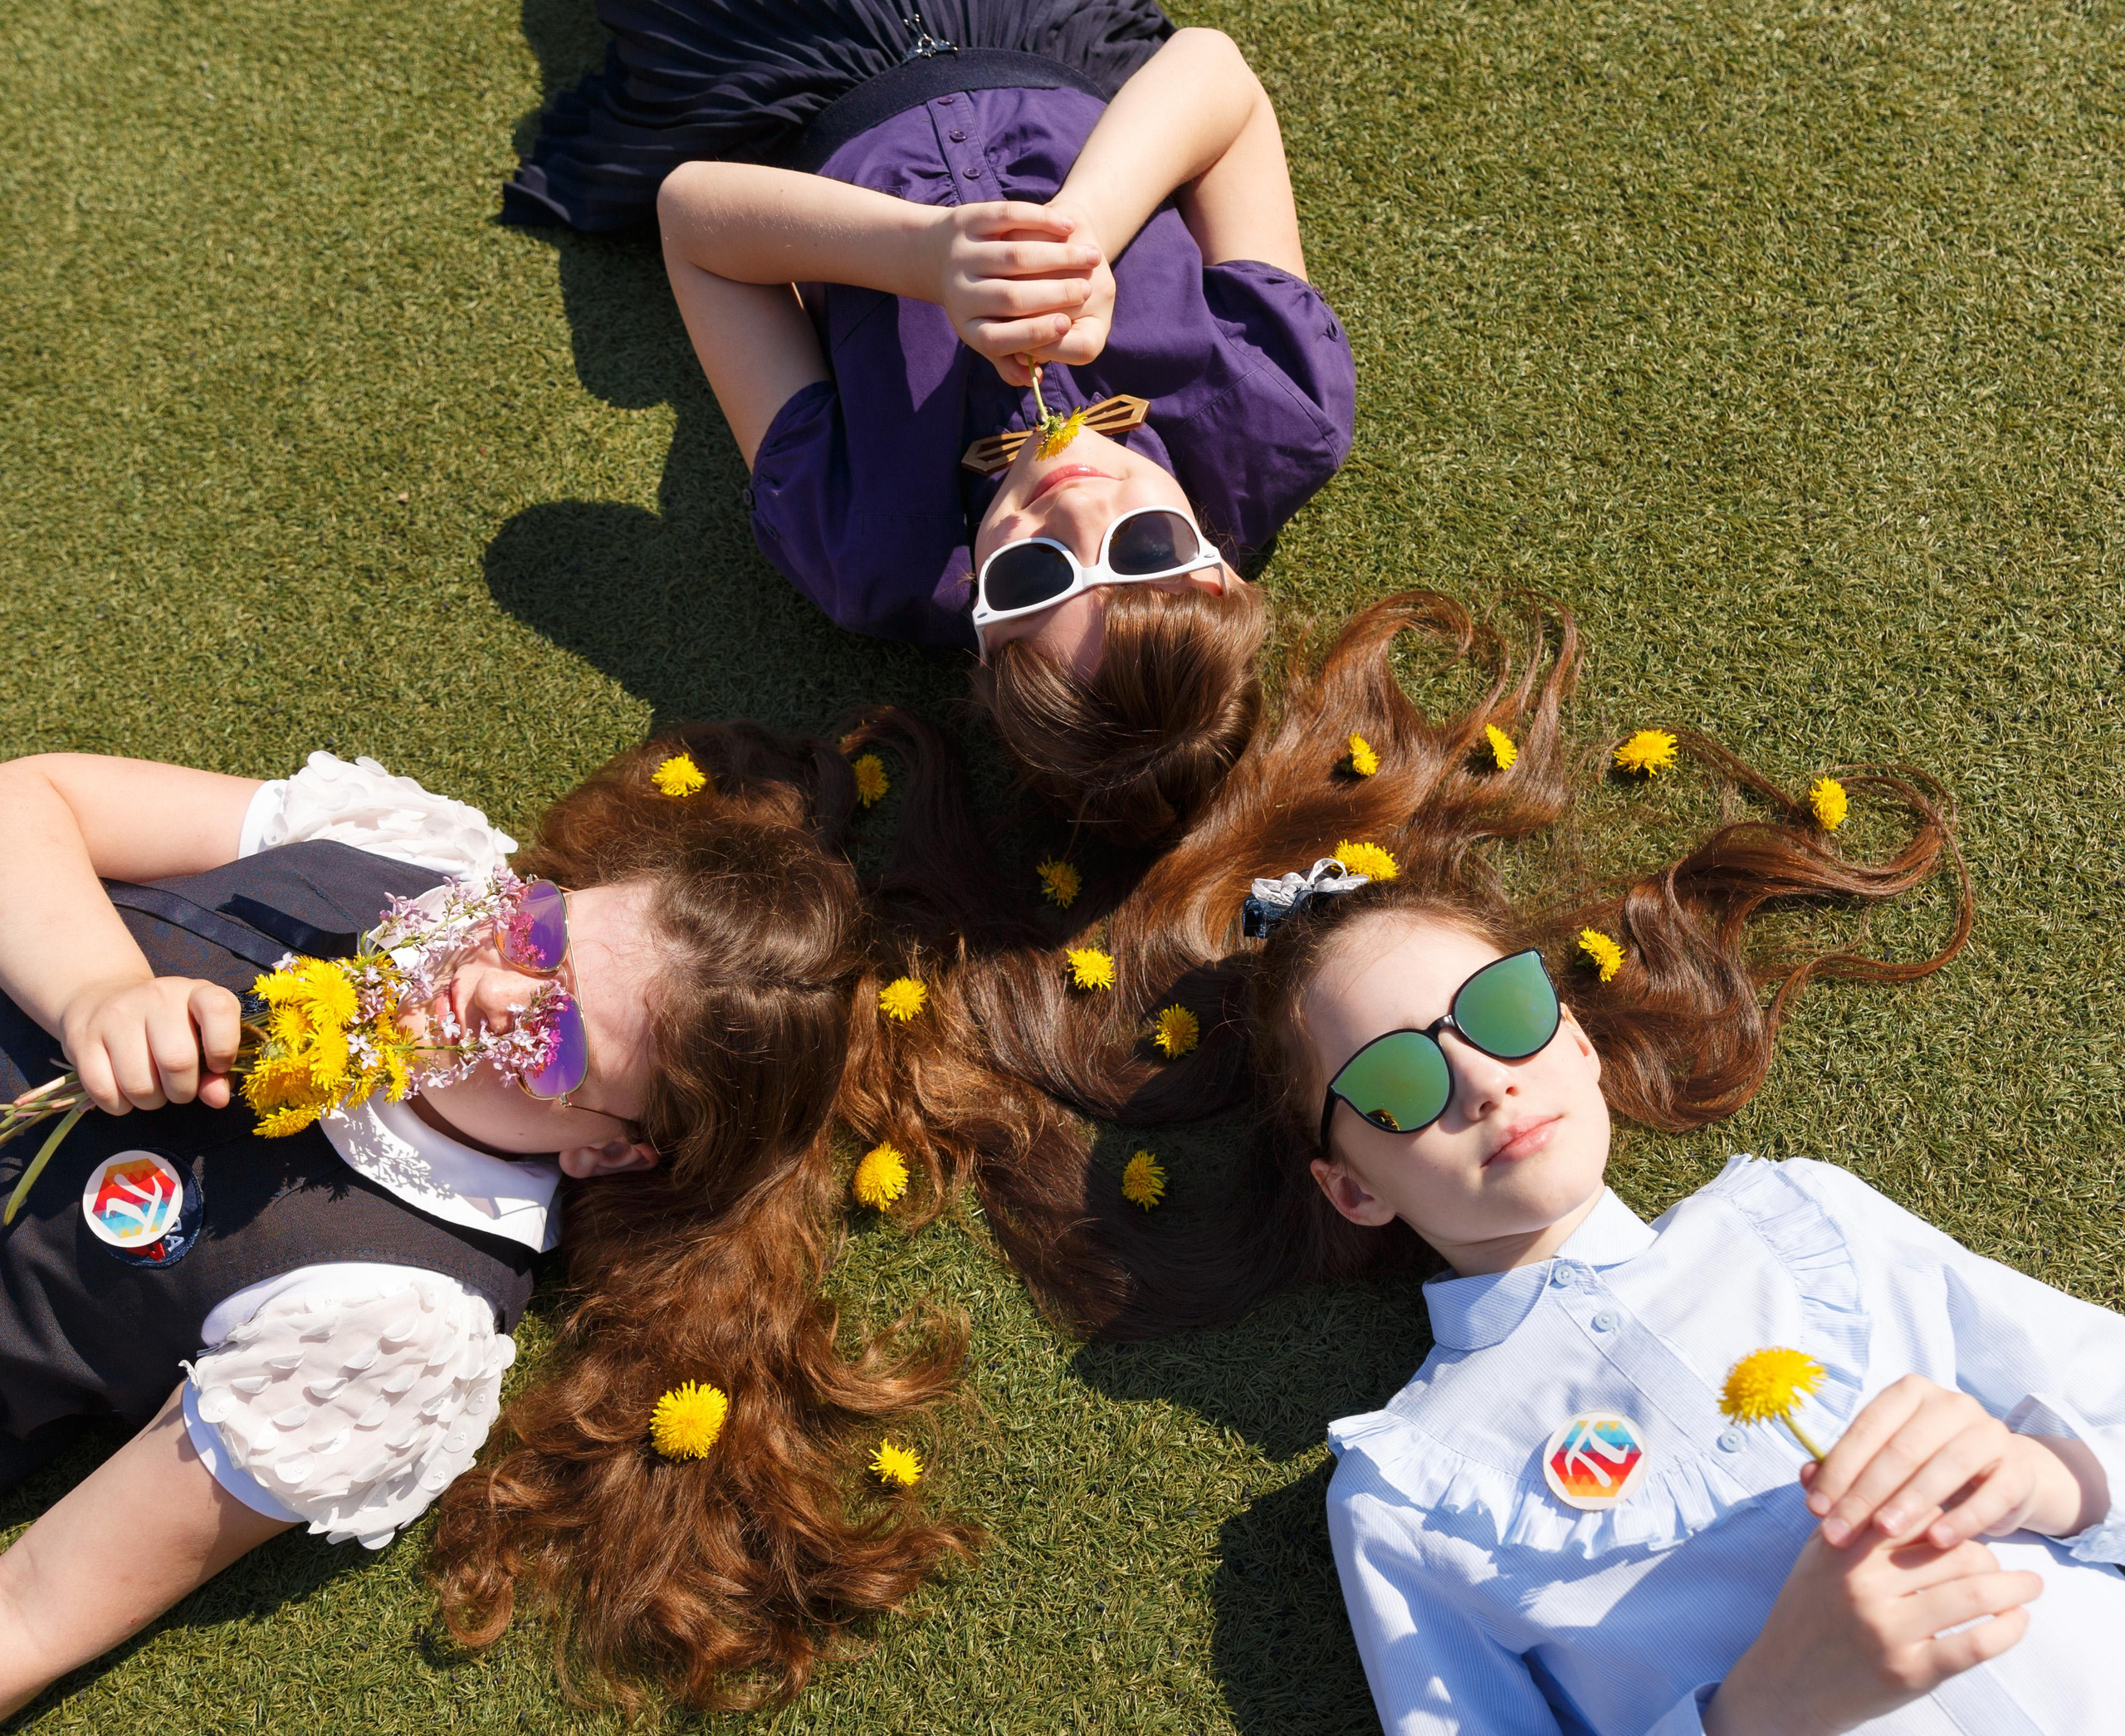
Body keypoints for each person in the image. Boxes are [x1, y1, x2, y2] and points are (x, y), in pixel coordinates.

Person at [868, 592, 2125, 1729]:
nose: (1481, 1077)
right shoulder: (1406, 1497)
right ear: (1352, 1184)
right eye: (1401, 1083)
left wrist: (2049, 1474)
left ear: (1571, 1033)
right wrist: (1762, 1711)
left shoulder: (1808, 1220)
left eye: (1506, 1012)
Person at [0, 717, 976, 1716]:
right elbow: (30, 801)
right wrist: (97, 989)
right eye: (540, 929)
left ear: (603, 1148)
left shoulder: (390, 1318)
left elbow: (29, 1612)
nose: (481, 985)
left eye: (552, 1042)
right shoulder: (408, 855)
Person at [508, 9, 1356, 843]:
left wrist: (925, 256)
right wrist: (1086, 232)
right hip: (1049, 34)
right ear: (1218, 577)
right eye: (1144, 548)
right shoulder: (1277, 416)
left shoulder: (863, 547)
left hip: (785, 73)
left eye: (1032, 576)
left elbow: (695, 220)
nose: (1079, 504)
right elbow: (1213, 74)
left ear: (985, 643)